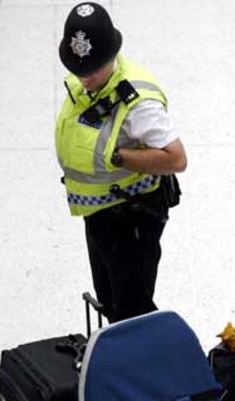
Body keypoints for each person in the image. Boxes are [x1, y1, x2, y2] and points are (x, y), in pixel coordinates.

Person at [56, 2, 187, 323]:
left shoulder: (139, 103)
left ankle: (148, 367)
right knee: (110, 301)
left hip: (132, 215)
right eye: (78, 69)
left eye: (94, 68)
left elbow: (176, 158)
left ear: (112, 55)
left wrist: (119, 156)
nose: (85, 77)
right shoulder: (88, 83)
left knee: (133, 310)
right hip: (99, 211)